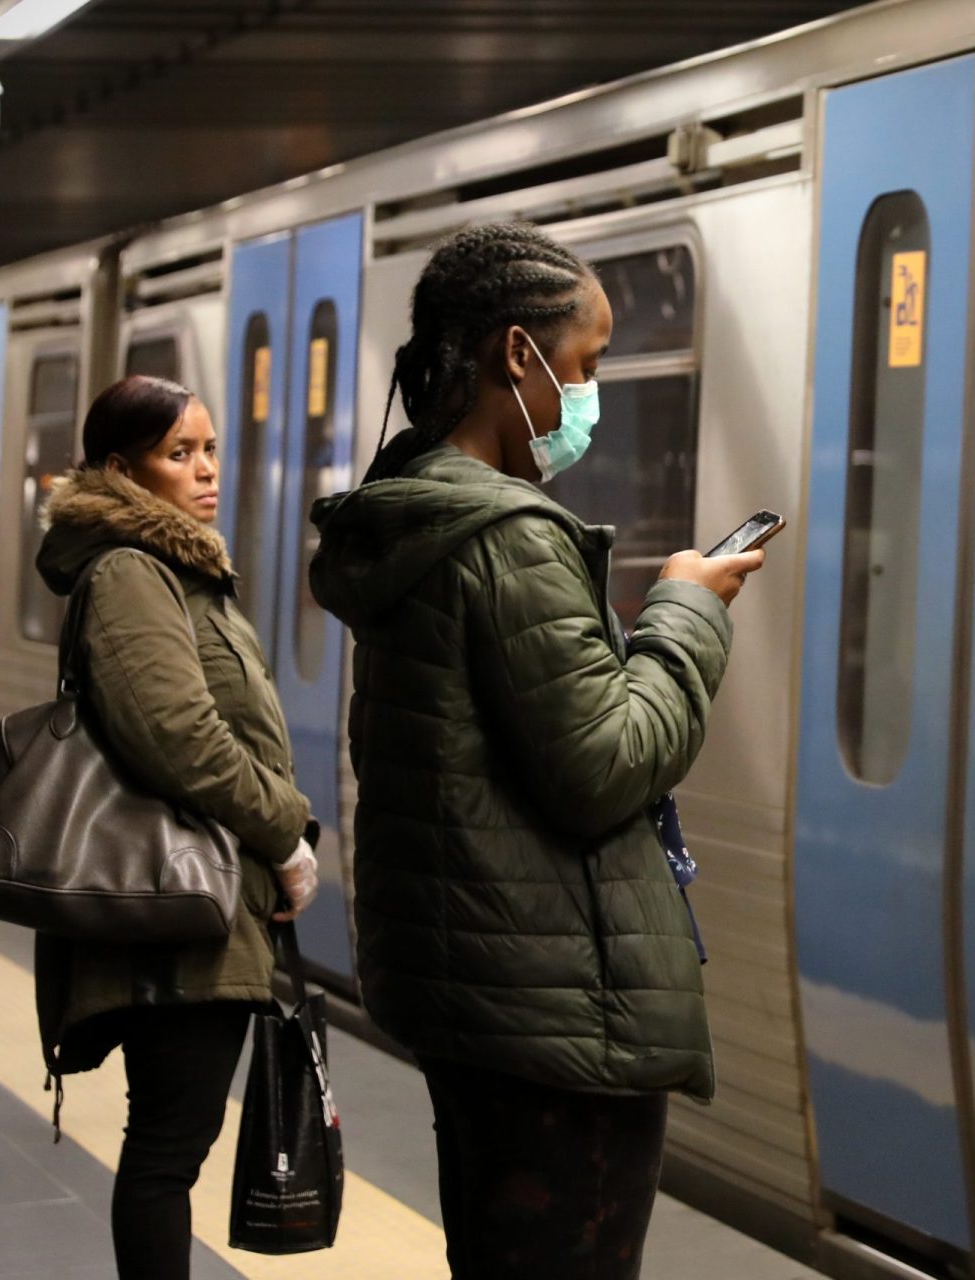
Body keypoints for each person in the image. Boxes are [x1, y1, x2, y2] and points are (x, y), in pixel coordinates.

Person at [308, 222, 764, 1280]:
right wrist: (686, 613)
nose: (591, 392)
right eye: (587, 364)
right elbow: (603, 762)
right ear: (517, 354)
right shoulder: (508, 535)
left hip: (477, 981)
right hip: (553, 1000)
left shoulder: (415, 513)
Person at [33, 374, 321, 1280]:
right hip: (174, 901)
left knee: (171, 1140)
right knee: (168, 1146)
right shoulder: (130, 571)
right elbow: (178, 735)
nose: (204, 472)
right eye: (178, 454)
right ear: (123, 470)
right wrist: (284, 832)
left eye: (208, 450)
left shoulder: (176, 568)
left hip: (202, 898)